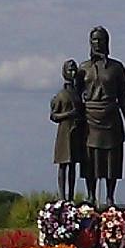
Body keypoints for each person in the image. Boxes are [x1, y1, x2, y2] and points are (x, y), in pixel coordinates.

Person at [78, 26, 125, 208]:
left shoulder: (117, 68)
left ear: (107, 42)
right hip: (90, 117)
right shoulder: (83, 68)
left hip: (111, 116)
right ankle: (91, 196)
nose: (97, 43)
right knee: (90, 158)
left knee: (112, 157)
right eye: (94, 40)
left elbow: (124, 96)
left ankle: (110, 197)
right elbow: (75, 94)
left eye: (101, 39)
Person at [49, 59, 86, 201]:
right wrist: (68, 114)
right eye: (69, 70)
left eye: (74, 70)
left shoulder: (78, 94)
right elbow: (53, 115)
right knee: (63, 165)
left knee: (73, 166)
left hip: (76, 133)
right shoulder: (61, 95)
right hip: (64, 133)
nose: (72, 72)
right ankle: (62, 197)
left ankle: (70, 197)